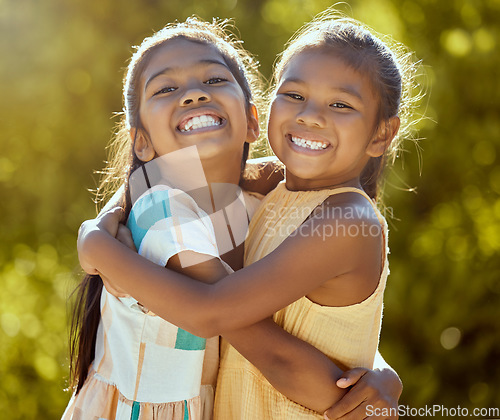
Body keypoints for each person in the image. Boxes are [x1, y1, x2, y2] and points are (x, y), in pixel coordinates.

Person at [73, 14, 414, 420]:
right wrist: (109, 216)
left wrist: (97, 246)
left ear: (381, 134)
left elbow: (213, 312)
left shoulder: (348, 219)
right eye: (294, 95)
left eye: (340, 104)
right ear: (262, 115)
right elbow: (165, 175)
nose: (311, 116)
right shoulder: (277, 184)